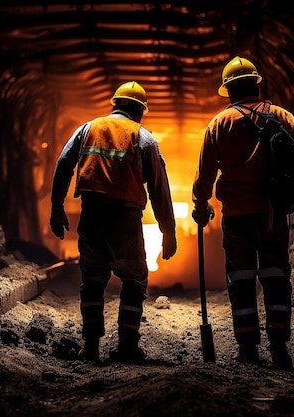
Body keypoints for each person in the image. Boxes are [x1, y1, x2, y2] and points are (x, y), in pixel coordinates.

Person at [191, 56, 294, 369]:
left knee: (241, 280)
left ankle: (248, 351)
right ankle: (280, 348)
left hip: (237, 216)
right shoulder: (283, 116)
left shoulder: (218, 124)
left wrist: (200, 205)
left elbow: (204, 175)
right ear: (258, 84)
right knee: (276, 276)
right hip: (273, 213)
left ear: (228, 91)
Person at [50, 81, 177, 364]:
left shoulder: (87, 129)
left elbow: (63, 164)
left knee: (92, 280)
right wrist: (168, 231)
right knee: (134, 279)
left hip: (92, 214)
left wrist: (57, 207)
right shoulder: (144, 138)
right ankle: (127, 347)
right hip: (125, 219)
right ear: (139, 111)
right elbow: (159, 188)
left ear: (115, 104)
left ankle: (91, 346)